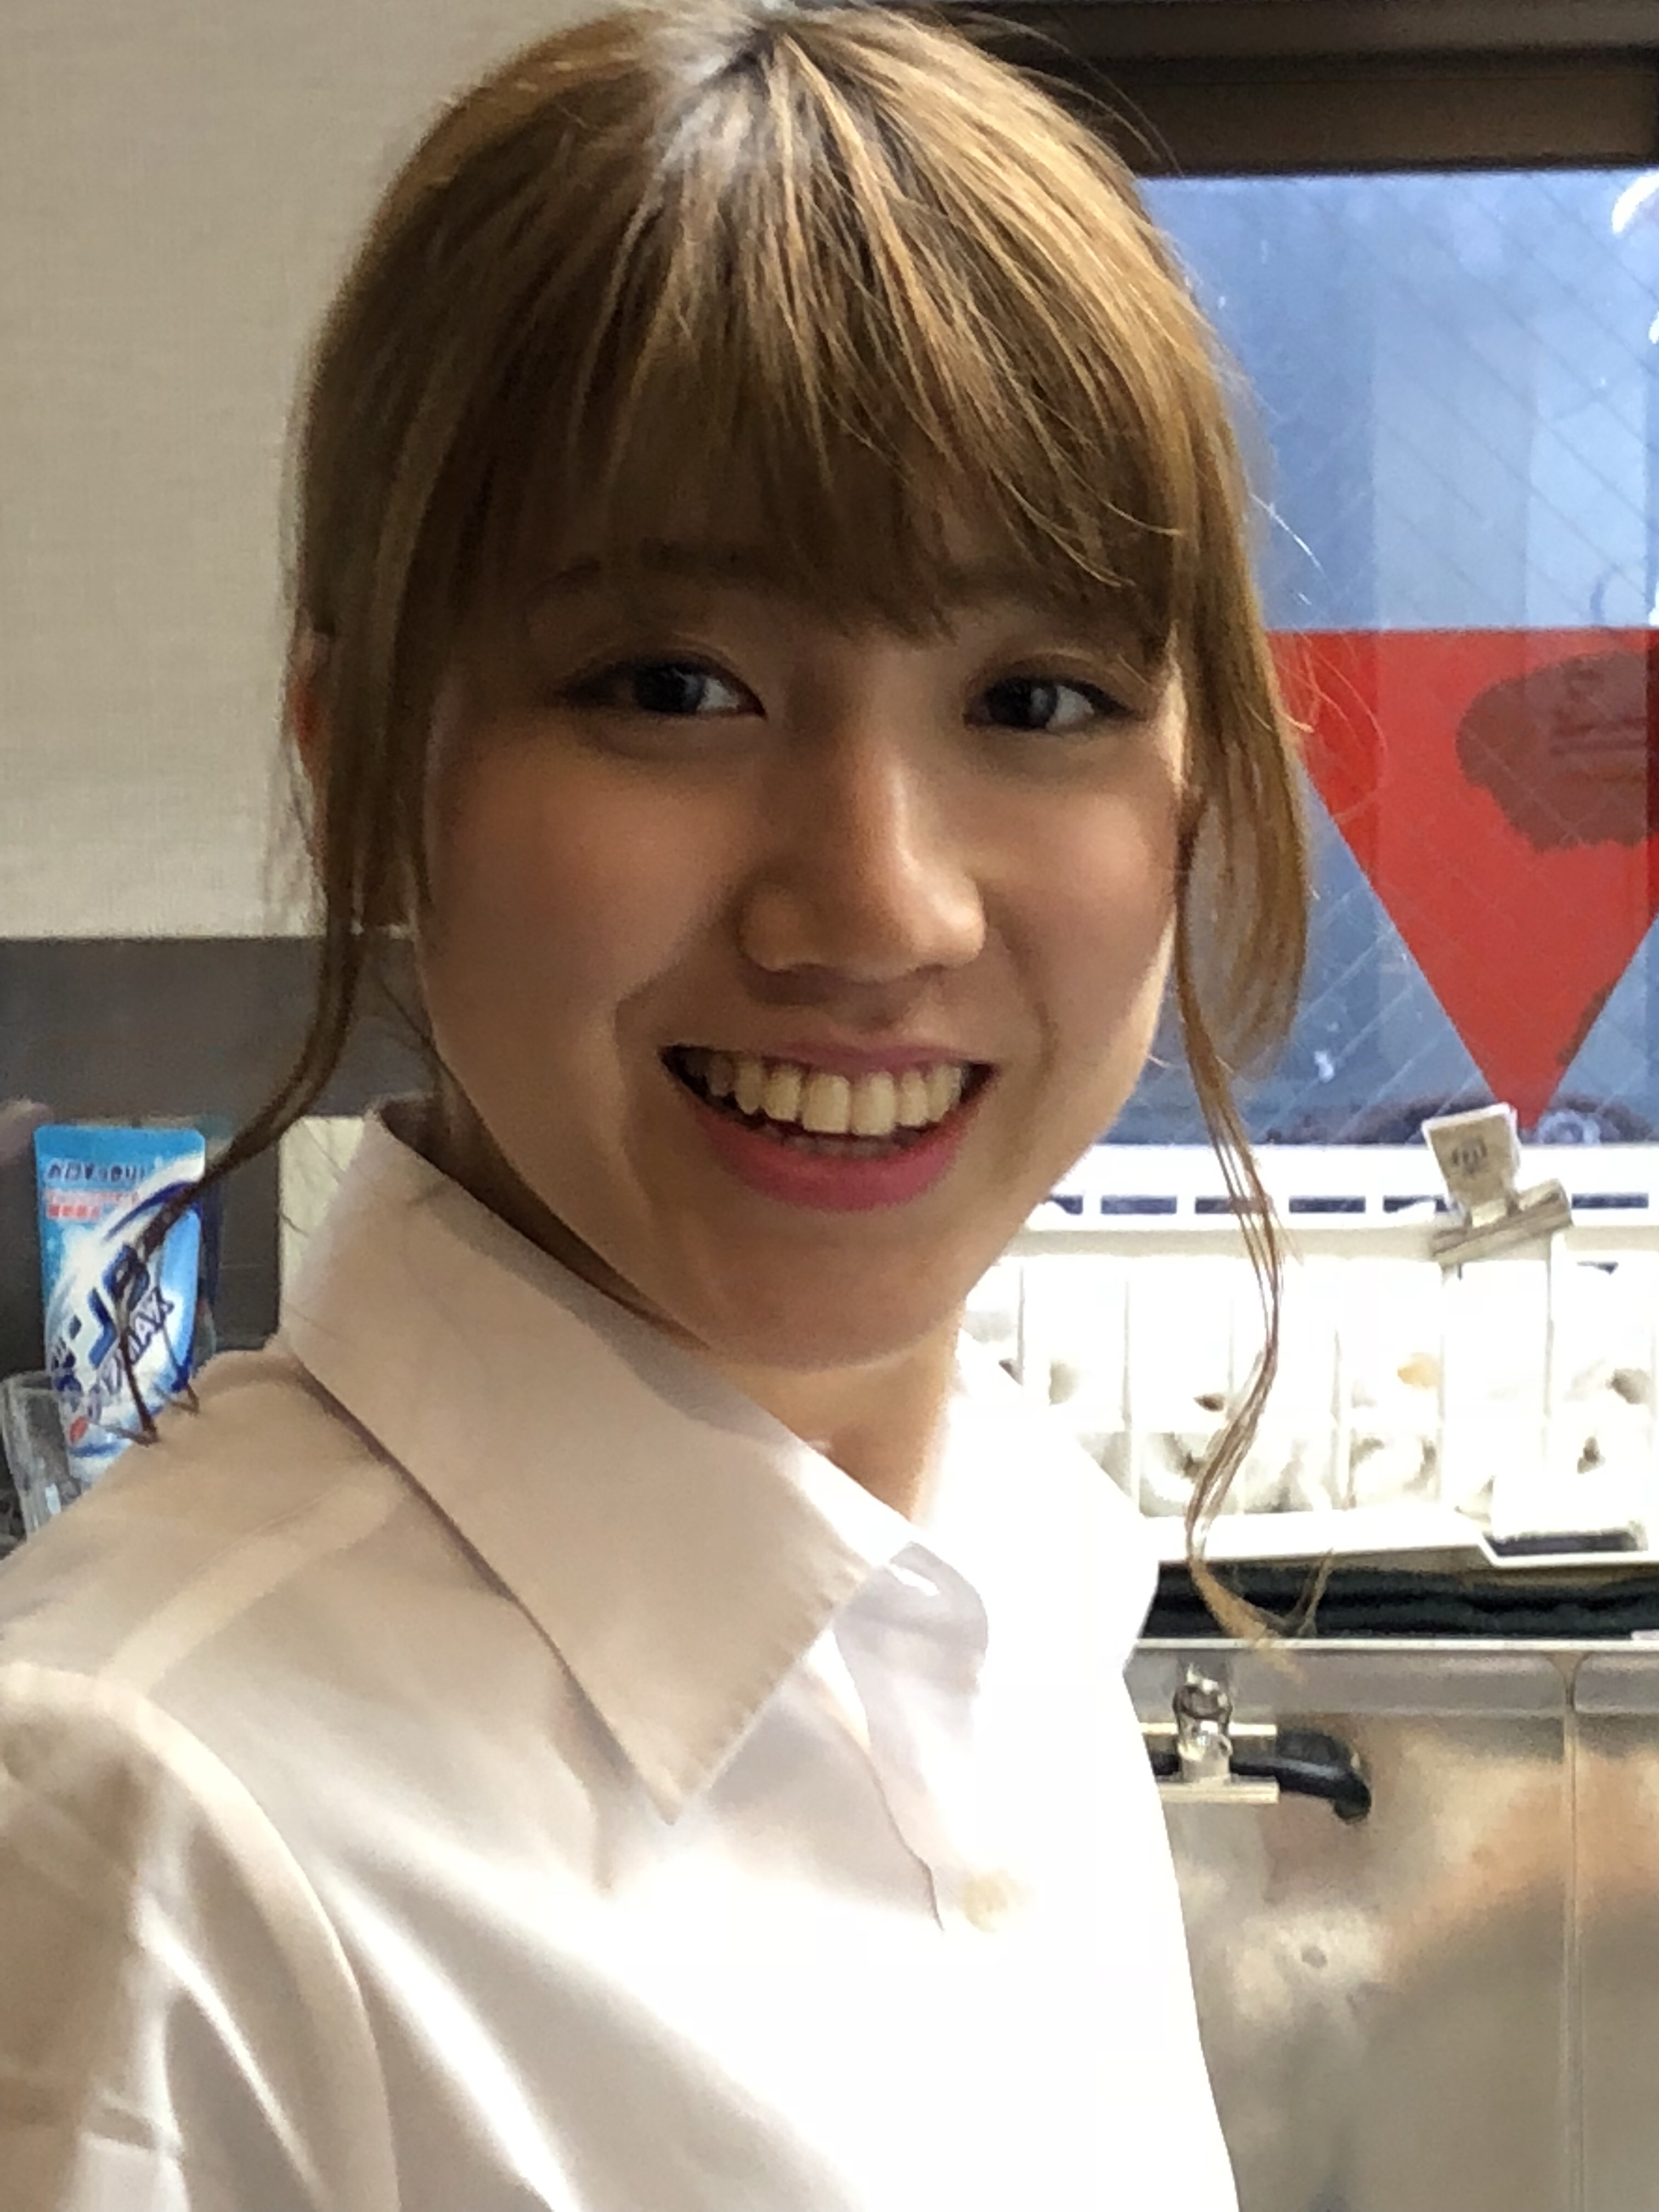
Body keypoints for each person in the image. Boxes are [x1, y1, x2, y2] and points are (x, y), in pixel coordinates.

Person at [0, 4, 1307, 2207]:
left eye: (1038, 698)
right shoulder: (138, 1838)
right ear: (362, 755)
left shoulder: (1004, 1626)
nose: (879, 907)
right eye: (673, 687)